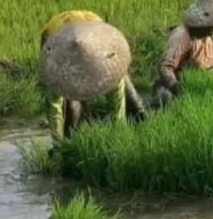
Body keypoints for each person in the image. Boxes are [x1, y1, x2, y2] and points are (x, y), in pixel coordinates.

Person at [39, 11, 146, 141]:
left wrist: (118, 135)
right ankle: (70, 137)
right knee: (70, 96)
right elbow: (54, 105)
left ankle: (140, 118)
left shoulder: (106, 56)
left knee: (121, 79)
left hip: (94, 28)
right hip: (56, 35)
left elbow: (116, 100)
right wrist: (57, 142)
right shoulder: (57, 55)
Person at [152, 0, 213, 108]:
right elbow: (166, 68)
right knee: (164, 97)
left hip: (207, 84)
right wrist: (179, 88)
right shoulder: (182, 36)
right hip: (181, 84)